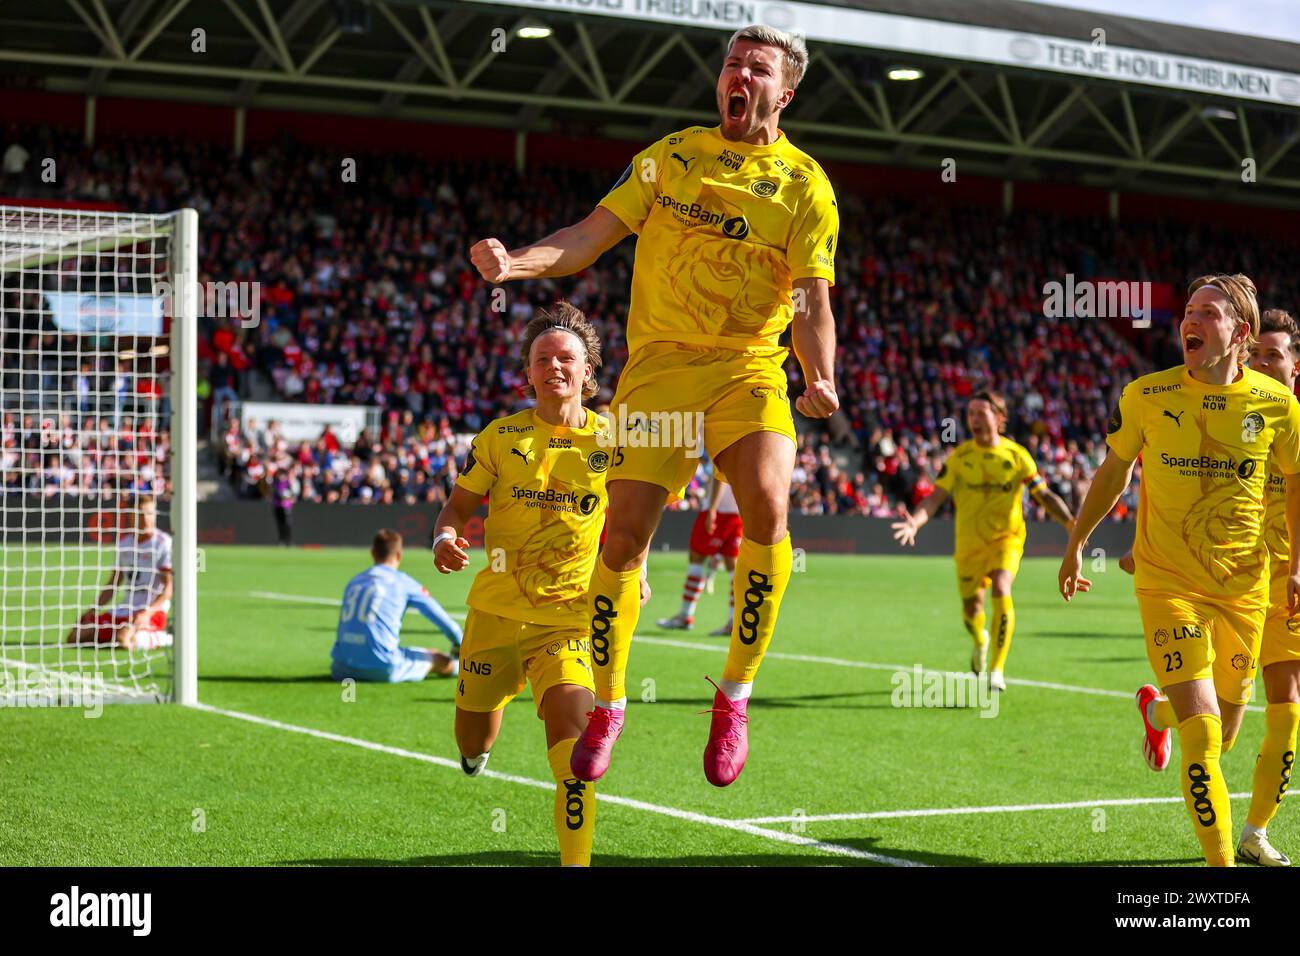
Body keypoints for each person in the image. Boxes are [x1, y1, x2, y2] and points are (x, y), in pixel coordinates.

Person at [470, 23, 840, 788]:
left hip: (747, 370)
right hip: (660, 373)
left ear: (786, 91)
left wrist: (821, 372)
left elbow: (811, 298)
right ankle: (609, 705)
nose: (738, 74)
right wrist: (518, 265)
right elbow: (589, 236)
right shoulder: (672, 156)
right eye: (732, 63)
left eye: (757, 67)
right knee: (625, 541)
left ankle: (733, 695)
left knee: (768, 508)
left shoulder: (806, 185)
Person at [1059, 275, 1300, 867]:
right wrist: (1077, 539)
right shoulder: (1145, 394)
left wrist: (1296, 565)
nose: (1189, 321)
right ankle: (1222, 871)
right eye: (1188, 311)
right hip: (1168, 582)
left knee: (1228, 730)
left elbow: (1294, 483)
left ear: (1238, 333)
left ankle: (1154, 712)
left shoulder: (1277, 406)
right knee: (1204, 733)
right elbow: (1114, 471)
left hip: (1245, 589)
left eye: (1208, 313)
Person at [432, 303, 624, 867]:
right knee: (471, 737)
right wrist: (445, 537)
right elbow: (457, 506)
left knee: (575, 738)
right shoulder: (500, 436)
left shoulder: (615, 440)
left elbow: (637, 518)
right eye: (543, 358)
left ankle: (575, 862)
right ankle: (477, 748)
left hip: (569, 618)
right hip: (494, 613)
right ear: (529, 371)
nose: (554, 366)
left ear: (588, 370)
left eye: (567, 357)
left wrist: (633, 573)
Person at [891, 392, 1075, 690]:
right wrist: (915, 521)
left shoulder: (1017, 456)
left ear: (1000, 418)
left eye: (981, 412)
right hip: (969, 545)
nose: (974, 418)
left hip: (1007, 539)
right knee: (971, 610)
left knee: (1002, 588)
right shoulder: (961, 458)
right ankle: (980, 640)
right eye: (971, 413)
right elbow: (936, 497)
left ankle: (997, 669)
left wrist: (1069, 522)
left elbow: (1043, 495)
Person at [330, 529, 460, 683]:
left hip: (341, 668)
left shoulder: (355, 581)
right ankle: (466, 668)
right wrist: (459, 643)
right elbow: (446, 624)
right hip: (383, 667)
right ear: (399, 555)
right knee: (436, 658)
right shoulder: (404, 583)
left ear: (372, 553)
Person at [67, 495, 172, 652]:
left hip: (151, 612)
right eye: (141, 514)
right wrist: (92, 610)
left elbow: (169, 588)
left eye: (151, 514)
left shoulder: (163, 543)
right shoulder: (124, 544)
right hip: (124, 609)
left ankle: (167, 638)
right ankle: (124, 635)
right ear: (131, 516)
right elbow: (113, 584)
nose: (147, 519)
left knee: (123, 640)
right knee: (75, 637)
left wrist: (146, 613)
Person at [658, 477, 742, 636]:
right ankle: (733, 621)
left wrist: (712, 508)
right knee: (734, 569)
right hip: (738, 513)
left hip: (719, 511)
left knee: (696, 560)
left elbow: (721, 473)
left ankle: (685, 615)